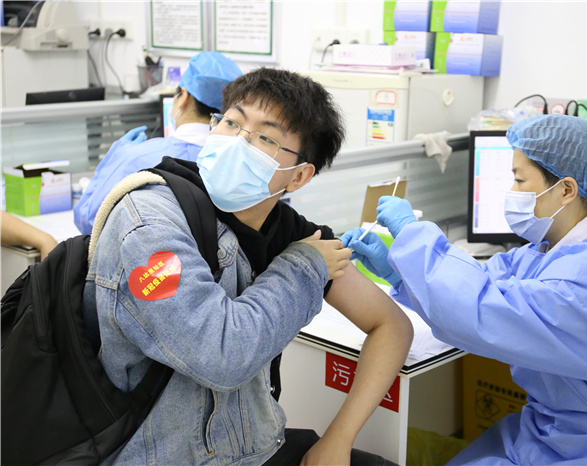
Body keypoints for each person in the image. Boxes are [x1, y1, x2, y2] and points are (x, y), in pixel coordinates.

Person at [84, 67, 413, 465]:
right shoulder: (149, 222)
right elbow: (220, 356)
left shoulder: (285, 230)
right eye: (231, 122)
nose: (239, 141)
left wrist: (338, 440)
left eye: (265, 138)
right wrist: (304, 267)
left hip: (246, 447)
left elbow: (392, 326)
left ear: (299, 176)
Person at [342, 114, 587, 465]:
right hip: (561, 428)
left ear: (567, 190)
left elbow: (482, 310)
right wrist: (400, 271)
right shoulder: (579, 239)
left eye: (519, 179)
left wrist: (413, 236)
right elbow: (489, 281)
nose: (512, 192)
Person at [73, 51, 243, 235]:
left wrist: (113, 159)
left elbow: (90, 221)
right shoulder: (239, 163)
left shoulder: (136, 157)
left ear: (183, 97)